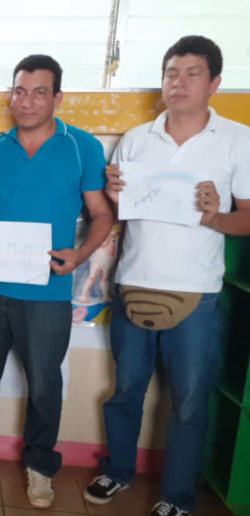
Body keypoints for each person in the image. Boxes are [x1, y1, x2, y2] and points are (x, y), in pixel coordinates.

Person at [83, 36, 250, 516]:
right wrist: (115, 195)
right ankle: (117, 471)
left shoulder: (237, 140)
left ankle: (176, 497)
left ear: (214, 83)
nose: (179, 82)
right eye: (171, 73)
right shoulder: (137, 139)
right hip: (134, 284)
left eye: (193, 73)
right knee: (125, 391)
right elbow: (123, 211)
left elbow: (247, 218)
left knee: (189, 402)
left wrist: (214, 217)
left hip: (198, 294)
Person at [0, 55, 113, 508]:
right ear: (11, 96)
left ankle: (40, 466)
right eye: (20, 91)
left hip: (47, 292)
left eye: (40, 92)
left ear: (58, 98)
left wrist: (80, 254)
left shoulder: (81, 148)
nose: (27, 101)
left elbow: (101, 214)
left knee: (44, 386)